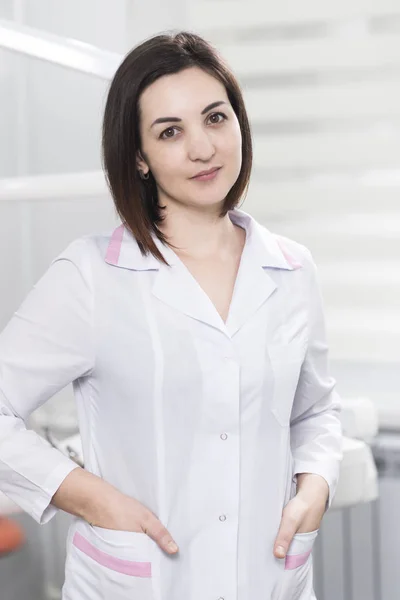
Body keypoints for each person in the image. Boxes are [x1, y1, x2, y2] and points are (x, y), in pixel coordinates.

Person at [0, 31, 342, 600]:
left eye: (215, 117)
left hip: (271, 580)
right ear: (138, 155)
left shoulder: (291, 270)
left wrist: (315, 489)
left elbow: (315, 410)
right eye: (170, 132)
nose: (203, 148)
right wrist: (91, 498)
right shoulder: (91, 275)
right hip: (140, 582)